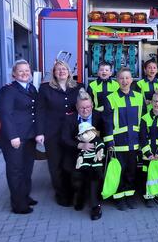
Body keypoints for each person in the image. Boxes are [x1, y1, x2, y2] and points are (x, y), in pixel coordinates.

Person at [0, 60, 44, 214]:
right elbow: (5, 114)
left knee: (27, 169)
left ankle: (24, 196)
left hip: (29, 136)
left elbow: (36, 112)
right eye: (21, 71)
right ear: (14, 74)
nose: (25, 73)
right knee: (15, 170)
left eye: (27, 71)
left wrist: (38, 132)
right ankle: (18, 205)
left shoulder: (31, 88)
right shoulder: (8, 90)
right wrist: (13, 136)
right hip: (15, 138)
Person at [36, 60, 84, 207]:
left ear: (69, 71)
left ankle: (73, 192)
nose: (61, 71)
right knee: (55, 166)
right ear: (54, 73)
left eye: (64, 69)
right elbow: (40, 111)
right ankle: (62, 195)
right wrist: (40, 133)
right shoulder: (45, 89)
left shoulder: (78, 87)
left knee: (70, 164)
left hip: (72, 134)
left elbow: (85, 107)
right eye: (58, 69)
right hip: (53, 133)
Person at [102, 67, 146, 210]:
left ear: (132, 80)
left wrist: (143, 141)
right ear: (117, 80)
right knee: (119, 172)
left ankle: (130, 196)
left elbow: (143, 121)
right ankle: (119, 198)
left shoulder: (139, 97)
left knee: (131, 172)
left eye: (127, 78)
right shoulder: (111, 98)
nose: (125, 81)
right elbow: (107, 122)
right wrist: (109, 142)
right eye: (122, 78)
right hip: (118, 143)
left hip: (134, 142)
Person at [61, 88, 104, 219]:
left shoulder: (99, 116)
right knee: (77, 181)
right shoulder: (69, 119)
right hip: (76, 155)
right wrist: (80, 145)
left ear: (92, 105)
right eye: (82, 108)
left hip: (95, 157)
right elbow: (64, 138)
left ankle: (95, 206)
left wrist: (99, 149)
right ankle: (79, 197)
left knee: (94, 179)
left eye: (88, 107)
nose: (85, 111)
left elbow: (106, 134)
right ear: (76, 107)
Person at [138, 91, 158, 207]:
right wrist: (148, 153)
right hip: (148, 154)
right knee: (147, 175)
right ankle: (148, 197)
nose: (157, 104)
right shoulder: (144, 118)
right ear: (151, 102)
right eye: (155, 101)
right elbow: (142, 137)